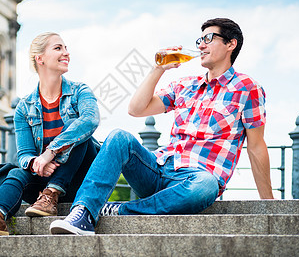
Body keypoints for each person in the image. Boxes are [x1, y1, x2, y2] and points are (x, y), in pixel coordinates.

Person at [50, 18, 274, 235]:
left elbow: (255, 147)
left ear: (230, 44)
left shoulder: (248, 88)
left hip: (194, 181)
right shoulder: (186, 85)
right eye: (199, 40)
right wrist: (158, 69)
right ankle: (83, 213)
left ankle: (120, 210)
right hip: (157, 169)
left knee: (207, 184)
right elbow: (136, 109)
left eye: (208, 38)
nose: (201, 45)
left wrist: (269, 205)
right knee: (119, 137)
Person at [0, 32, 100, 236]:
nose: (66, 53)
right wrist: (35, 164)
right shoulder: (24, 108)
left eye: (65, 48)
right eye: (58, 48)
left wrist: (51, 153)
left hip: (79, 180)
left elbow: (90, 120)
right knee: (17, 172)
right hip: (40, 191)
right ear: (40, 59)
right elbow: (24, 154)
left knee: (78, 129)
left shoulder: (80, 91)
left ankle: (52, 193)